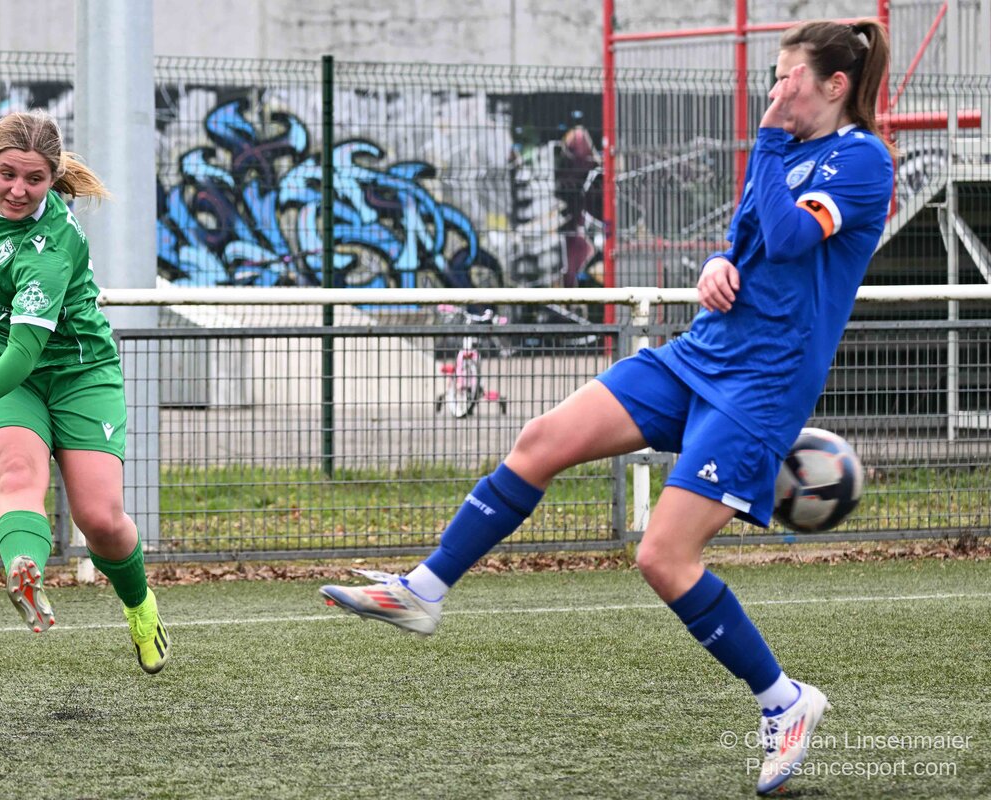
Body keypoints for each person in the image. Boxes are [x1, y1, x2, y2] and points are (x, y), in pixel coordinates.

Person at [320, 19, 893, 794]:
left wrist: (763, 142)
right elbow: (748, 241)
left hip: (762, 385)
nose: (775, 87)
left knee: (662, 558)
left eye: (787, 74)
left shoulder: (862, 159)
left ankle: (784, 702)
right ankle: (422, 591)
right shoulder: (786, 152)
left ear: (834, 84)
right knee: (542, 439)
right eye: (775, 74)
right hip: (699, 353)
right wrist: (716, 265)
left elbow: (792, 240)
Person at [0, 109, 171, 674]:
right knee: (16, 475)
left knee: (100, 520)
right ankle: (25, 568)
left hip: (78, 373)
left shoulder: (48, 252)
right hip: (1, 367)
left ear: (53, 178)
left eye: (35, 180)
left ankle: (140, 607)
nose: (17, 190)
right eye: (7, 173)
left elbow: (24, 353)